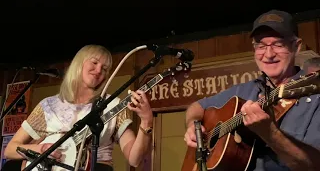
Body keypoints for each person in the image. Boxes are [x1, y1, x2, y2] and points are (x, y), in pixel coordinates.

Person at [184, 10, 320, 171]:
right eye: (261, 45)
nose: (268, 54)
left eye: (278, 44)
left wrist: (270, 134)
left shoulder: (313, 95)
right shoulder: (244, 90)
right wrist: (193, 125)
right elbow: (197, 107)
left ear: (296, 47)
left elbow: (314, 166)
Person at [4, 44, 154, 171]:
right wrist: (40, 150)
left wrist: (146, 121)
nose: (98, 70)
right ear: (79, 63)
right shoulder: (48, 106)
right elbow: (10, 150)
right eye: (94, 63)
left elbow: (134, 160)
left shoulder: (112, 105)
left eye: (104, 69)